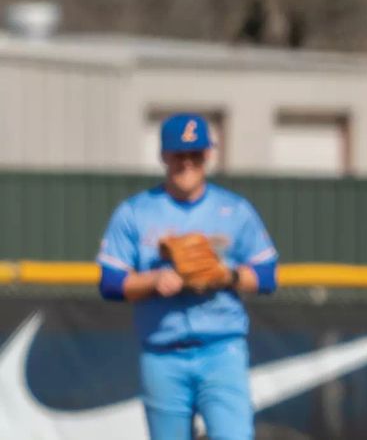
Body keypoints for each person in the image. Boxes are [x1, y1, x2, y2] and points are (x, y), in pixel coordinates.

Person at [96, 113, 279, 439]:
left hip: (222, 350)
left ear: (208, 154)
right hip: (163, 354)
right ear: (164, 155)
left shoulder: (234, 210)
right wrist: (153, 281)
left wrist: (228, 277)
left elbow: (267, 276)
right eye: (179, 153)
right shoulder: (136, 212)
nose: (187, 162)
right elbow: (110, 283)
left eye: (195, 153)